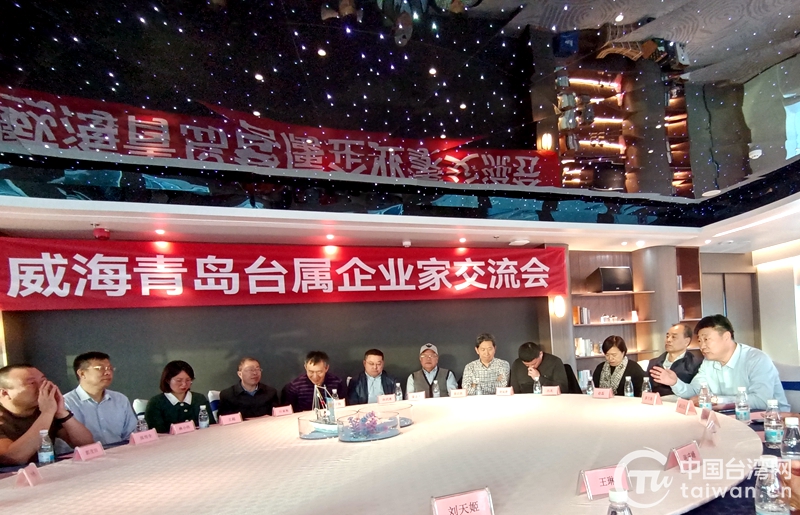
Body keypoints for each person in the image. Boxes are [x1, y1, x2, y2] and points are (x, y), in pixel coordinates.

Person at [650, 314, 790, 410]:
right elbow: (694, 392)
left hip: (770, 422)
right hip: (731, 419)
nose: (702, 346)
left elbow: (761, 401)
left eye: (706, 339)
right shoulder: (709, 362)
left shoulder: (756, 359)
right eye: (699, 341)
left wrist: (717, 399)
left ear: (726, 337)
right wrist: (675, 382)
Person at [0, 364, 94, 464]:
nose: (42, 387)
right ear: (4, 393)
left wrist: (62, 413)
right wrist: (47, 413)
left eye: (43, 381)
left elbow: (87, 445)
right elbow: (13, 458)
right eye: (32, 383)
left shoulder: (45, 409)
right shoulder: (46, 410)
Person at [63, 351, 138, 446]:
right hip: (83, 455)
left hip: (121, 453)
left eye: (110, 368)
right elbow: (66, 444)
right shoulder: (65, 403)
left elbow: (132, 435)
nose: (108, 372)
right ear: (82, 373)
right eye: (100, 368)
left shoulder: (120, 400)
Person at [144, 360, 217, 433]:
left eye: (188, 380)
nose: (184, 384)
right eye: (179, 380)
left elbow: (211, 426)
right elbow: (156, 433)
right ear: (167, 380)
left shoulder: (199, 398)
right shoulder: (156, 403)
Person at [646, 324, 703, 397]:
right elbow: (646, 388)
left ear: (686, 341)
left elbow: (696, 392)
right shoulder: (653, 363)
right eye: (667, 336)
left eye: (674, 337)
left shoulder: (696, 364)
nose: (668, 340)